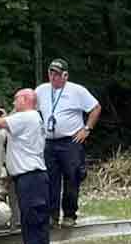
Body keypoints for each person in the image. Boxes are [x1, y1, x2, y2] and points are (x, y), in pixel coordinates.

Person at [0, 89, 53, 244]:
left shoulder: (27, 117)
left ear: (25, 100)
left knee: (33, 222)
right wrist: (5, 117)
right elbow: (7, 123)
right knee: (36, 221)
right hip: (33, 178)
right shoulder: (31, 118)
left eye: (15, 99)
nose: (13, 102)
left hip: (30, 178)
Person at [36, 58, 100, 226]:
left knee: (72, 177)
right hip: (49, 141)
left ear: (65, 75)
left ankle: (70, 215)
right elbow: (29, 108)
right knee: (50, 179)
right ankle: (51, 215)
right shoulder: (42, 90)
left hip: (70, 141)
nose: (53, 77)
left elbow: (95, 108)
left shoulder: (77, 90)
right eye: (51, 73)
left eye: (57, 74)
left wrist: (86, 129)